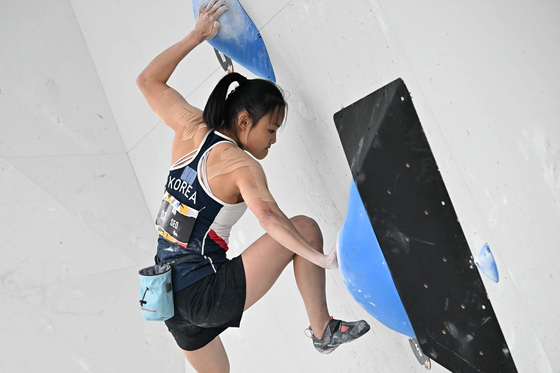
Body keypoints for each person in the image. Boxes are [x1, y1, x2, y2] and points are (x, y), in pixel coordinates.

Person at [136, 1, 370, 371]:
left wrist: (196, 36)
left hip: (165, 300)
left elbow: (148, 81)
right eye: (271, 130)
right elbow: (269, 218)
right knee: (306, 228)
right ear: (244, 121)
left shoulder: (189, 128)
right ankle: (321, 329)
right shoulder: (241, 164)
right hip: (202, 294)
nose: (273, 141)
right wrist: (321, 260)